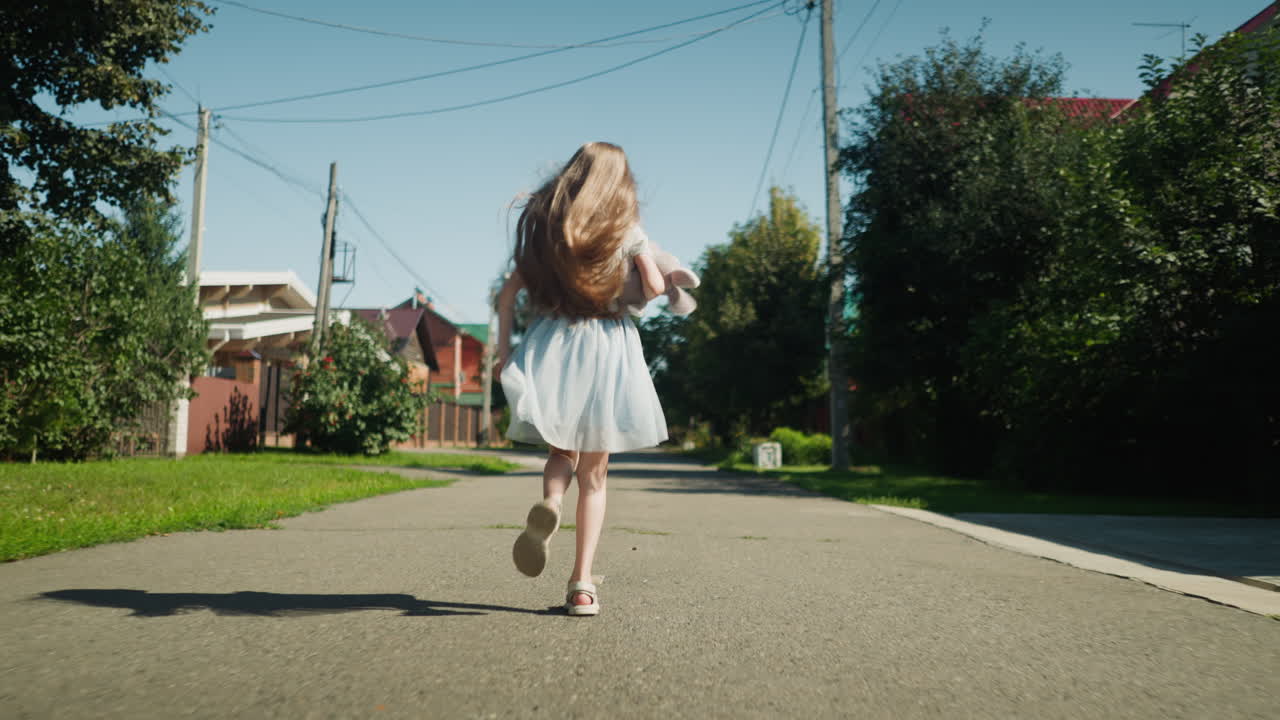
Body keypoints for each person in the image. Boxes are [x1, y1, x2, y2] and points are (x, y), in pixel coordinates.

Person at [495, 142, 669, 617]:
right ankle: (582, 587)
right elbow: (653, 287)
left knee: (560, 452)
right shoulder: (626, 230)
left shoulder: (552, 229)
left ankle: (550, 502)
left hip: (557, 340)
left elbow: (507, 295)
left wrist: (503, 352)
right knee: (595, 476)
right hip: (608, 347)